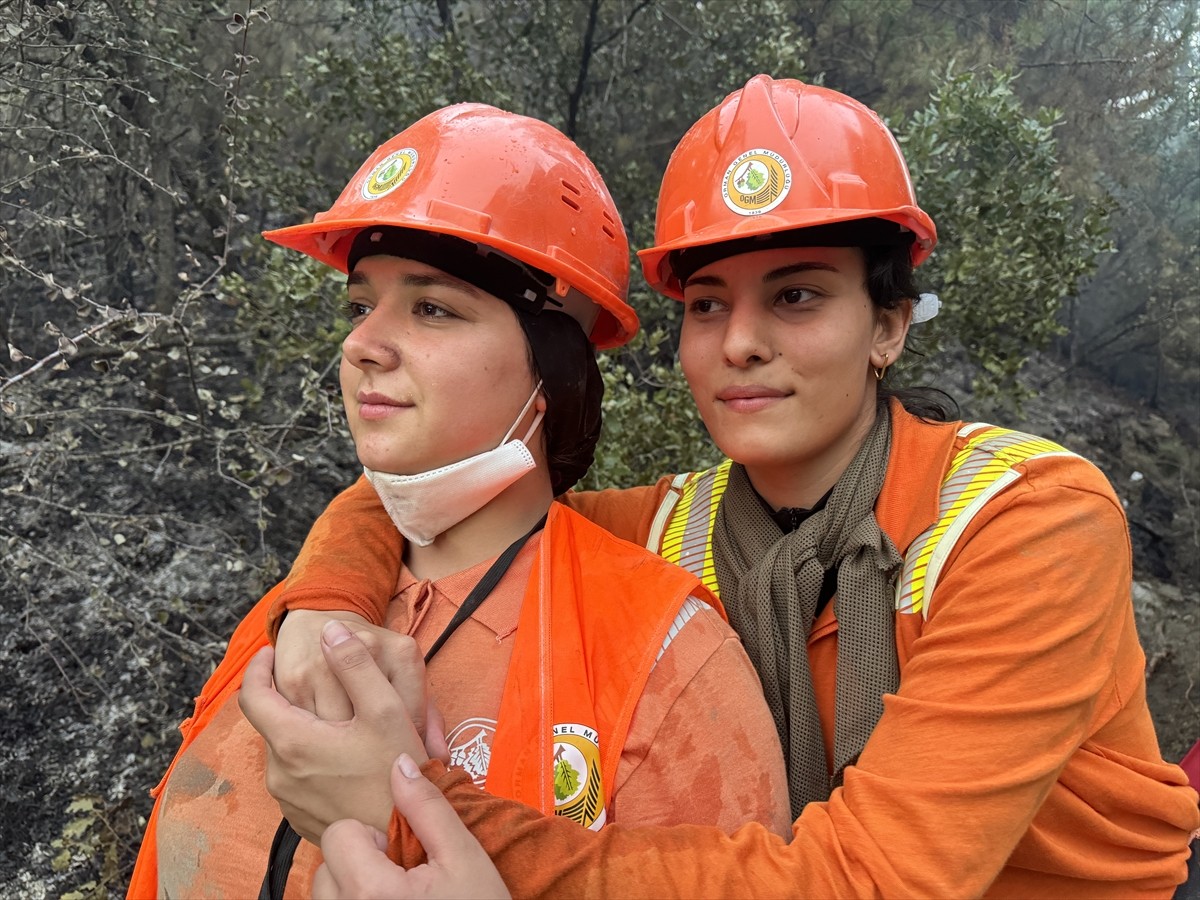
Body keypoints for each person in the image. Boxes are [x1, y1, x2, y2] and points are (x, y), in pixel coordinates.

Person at [263, 75, 1200, 897]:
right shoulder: (679, 526)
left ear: (889, 328)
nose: (740, 341)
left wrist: (424, 807)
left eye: (796, 295)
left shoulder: (1023, 522)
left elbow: (876, 880)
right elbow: (445, 500)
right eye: (709, 303)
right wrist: (323, 604)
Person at [126, 102, 792, 900]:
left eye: (433, 307)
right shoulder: (301, 610)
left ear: (555, 372)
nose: (361, 343)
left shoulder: (664, 659)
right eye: (360, 304)